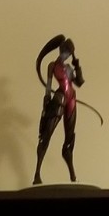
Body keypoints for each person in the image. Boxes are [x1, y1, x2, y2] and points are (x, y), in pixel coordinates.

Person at [33, 34, 84, 184]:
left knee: (70, 137)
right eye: (66, 52)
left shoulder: (68, 68)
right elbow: (48, 86)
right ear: (61, 50)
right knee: (47, 133)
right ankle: (37, 173)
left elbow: (79, 82)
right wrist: (46, 100)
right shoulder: (52, 66)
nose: (66, 55)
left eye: (69, 53)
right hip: (60, 98)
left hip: (71, 99)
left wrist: (77, 65)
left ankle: (72, 175)